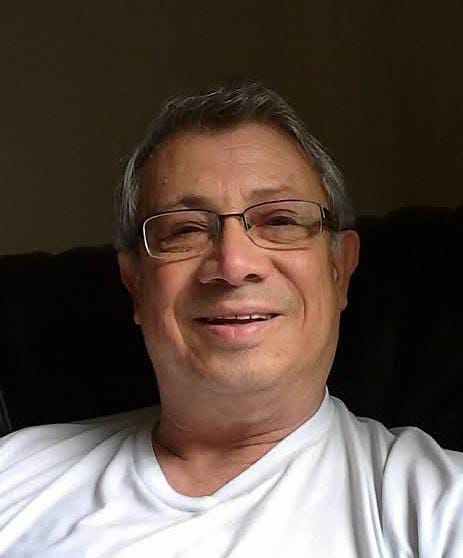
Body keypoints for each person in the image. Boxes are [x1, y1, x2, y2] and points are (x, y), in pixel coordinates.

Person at [0, 82, 462, 557]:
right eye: (186, 229)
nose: (234, 264)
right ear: (134, 285)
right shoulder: (14, 473)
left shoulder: (437, 507)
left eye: (280, 221)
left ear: (339, 270)